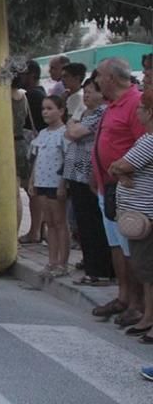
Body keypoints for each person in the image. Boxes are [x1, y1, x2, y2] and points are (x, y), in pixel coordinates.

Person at [91, 58, 146, 325]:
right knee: (116, 245)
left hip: (127, 191)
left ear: (112, 77)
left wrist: (125, 173)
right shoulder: (111, 106)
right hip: (107, 187)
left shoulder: (135, 103)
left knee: (131, 248)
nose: (97, 80)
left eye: (99, 75)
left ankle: (138, 304)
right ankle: (123, 297)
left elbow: (144, 145)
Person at [108, 85, 153, 343]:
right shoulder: (144, 139)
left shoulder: (149, 141)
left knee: (148, 270)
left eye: (141, 107)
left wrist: (122, 171)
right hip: (141, 214)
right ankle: (147, 316)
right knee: (145, 272)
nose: (136, 110)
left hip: (145, 215)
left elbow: (119, 165)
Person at [64, 76, 113, 285]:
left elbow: (73, 132)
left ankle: (99, 270)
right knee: (81, 222)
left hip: (88, 175)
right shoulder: (86, 113)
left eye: (91, 91)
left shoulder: (101, 112)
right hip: (76, 174)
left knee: (92, 223)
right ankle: (91, 264)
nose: (87, 94)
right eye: (85, 91)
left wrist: (72, 123)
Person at [29, 95, 70, 277]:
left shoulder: (65, 133)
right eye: (43, 108)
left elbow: (67, 160)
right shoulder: (42, 134)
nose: (45, 112)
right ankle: (51, 261)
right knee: (50, 223)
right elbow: (37, 160)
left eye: (50, 108)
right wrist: (32, 181)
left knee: (60, 222)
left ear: (61, 111)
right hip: (41, 183)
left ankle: (63, 263)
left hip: (56, 183)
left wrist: (63, 184)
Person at [19, 60, 47, 244]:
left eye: (22, 73)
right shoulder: (42, 93)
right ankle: (40, 229)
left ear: (31, 75)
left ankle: (35, 230)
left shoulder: (30, 96)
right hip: (39, 145)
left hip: (31, 146)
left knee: (32, 190)